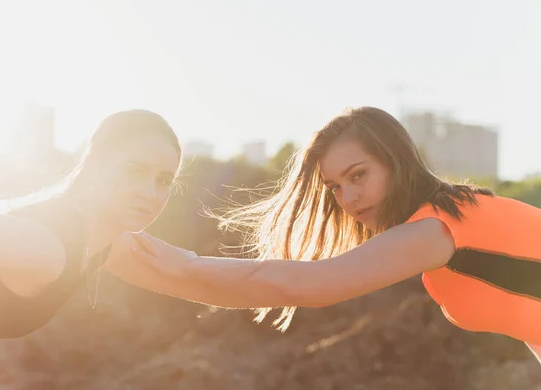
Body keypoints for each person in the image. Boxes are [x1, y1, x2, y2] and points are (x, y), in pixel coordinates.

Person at [127, 106, 541, 364]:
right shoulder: (455, 219)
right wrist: (167, 273)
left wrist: (185, 264)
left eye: (358, 175)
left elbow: (305, 285)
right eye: (335, 188)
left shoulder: (433, 230)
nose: (349, 198)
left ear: (397, 162)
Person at [0, 109, 182, 351]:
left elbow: (190, 269)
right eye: (135, 171)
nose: (150, 193)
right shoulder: (47, 246)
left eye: (163, 180)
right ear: (94, 165)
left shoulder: (103, 240)